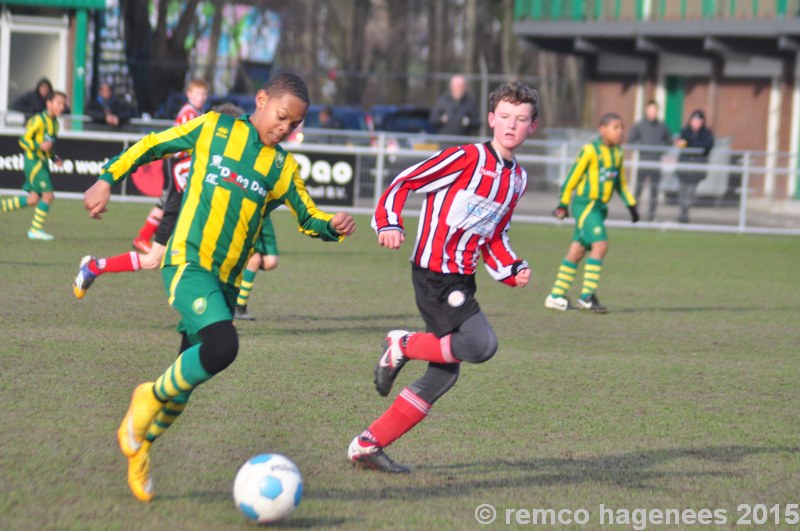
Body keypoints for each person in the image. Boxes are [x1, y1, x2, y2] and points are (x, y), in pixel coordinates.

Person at [81, 72, 356, 502]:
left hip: (224, 285)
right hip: (187, 262)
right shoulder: (214, 127)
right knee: (223, 347)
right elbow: (152, 144)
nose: (285, 128)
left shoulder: (283, 168)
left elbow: (308, 217)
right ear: (261, 100)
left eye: (294, 125)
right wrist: (106, 177)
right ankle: (144, 398)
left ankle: (141, 447)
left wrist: (332, 226)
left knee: (185, 384)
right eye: (282, 117)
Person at [347, 80, 538, 473]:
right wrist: (389, 222)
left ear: (531, 127)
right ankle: (403, 343)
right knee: (482, 344)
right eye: (504, 116)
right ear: (490, 119)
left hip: (462, 278)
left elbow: (495, 235)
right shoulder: (466, 158)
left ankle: (368, 444)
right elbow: (405, 180)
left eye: (521, 119)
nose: (511, 125)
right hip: (434, 274)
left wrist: (512, 268)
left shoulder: (517, 179)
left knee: (443, 376)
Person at [72, 103, 252, 300]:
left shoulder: (219, 160)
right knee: (152, 261)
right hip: (178, 212)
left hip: (194, 218)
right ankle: (94, 267)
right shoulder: (196, 161)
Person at [544, 112, 639, 314]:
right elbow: (572, 179)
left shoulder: (618, 153)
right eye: (616, 127)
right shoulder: (590, 150)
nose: (620, 132)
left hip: (600, 208)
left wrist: (631, 205)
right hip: (586, 205)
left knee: (577, 252)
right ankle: (587, 296)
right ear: (602, 129)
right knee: (601, 245)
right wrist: (563, 204)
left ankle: (555, 296)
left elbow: (620, 183)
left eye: (622, 127)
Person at [132, 79, 210, 253]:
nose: (201, 97)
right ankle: (143, 237)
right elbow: (185, 139)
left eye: (203, 94)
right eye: (197, 93)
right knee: (168, 201)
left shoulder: (199, 111)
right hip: (176, 161)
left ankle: (167, 239)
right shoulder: (188, 112)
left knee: (175, 201)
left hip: (184, 162)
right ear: (189, 94)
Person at [0, 90, 68, 240]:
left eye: (63, 104)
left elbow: (48, 146)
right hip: (34, 162)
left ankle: (2, 206)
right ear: (49, 103)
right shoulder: (38, 120)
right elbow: (23, 141)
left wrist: (54, 158)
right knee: (48, 196)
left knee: (33, 199)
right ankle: (35, 230)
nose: (61, 107)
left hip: (43, 163)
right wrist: (39, 145)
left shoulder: (55, 124)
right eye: (58, 103)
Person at [627, 100, 673, 221]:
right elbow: (631, 141)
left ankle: (651, 216)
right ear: (646, 111)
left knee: (654, 190)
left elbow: (670, 143)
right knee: (638, 190)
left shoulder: (663, 126)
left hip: (656, 163)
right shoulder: (639, 125)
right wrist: (640, 148)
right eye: (650, 110)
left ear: (657, 111)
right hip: (643, 162)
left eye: (654, 110)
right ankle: (634, 215)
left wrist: (661, 150)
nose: (652, 113)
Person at [234, 215, 278, 320]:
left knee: (267, 261)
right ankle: (237, 305)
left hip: (253, 219)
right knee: (254, 259)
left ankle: (238, 306)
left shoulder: (262, 209)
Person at [675, 109, 714, 223]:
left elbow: (706, 146)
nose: (696, 123)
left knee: (690, 193)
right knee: (682, 192)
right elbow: (681, 143)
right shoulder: (685, 131)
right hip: (684, 169)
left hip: (696, 170)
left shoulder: (706, 134)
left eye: (699, 120)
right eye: (694, 120)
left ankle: (685, 214)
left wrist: (690, 145)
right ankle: (682, 213)